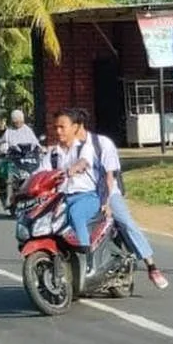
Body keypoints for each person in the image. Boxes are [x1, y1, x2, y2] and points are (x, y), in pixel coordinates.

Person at [80, 122, 170, 290]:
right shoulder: (65, 148)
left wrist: (106, 202)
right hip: (83, 196)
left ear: (77, 126)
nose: (59, 131)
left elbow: (109, 176)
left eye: (63, 127)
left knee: (127, 223)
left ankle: (152, 267)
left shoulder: (102, 144)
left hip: (107, 193)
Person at [51, 108, 101, 253]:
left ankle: (86, 257)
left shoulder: (84, 147)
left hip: (87, 197)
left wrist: (72, 169)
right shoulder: (53, 154)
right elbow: (39, 173)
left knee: (76, 213)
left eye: (62, 127)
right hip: (61, 199)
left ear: (74, 127)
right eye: (56, 127)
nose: (58, 131)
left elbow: (83, 162)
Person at [0, 109, 41, 199]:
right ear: (13, 121)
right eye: (16, 121)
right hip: (14, 158)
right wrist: (4, 148)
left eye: (20, 121)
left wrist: (40, 148)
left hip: (27, 157)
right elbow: (3, 142)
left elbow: (35, 142)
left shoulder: (28, 130)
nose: (18, 123)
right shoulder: (9, 132)